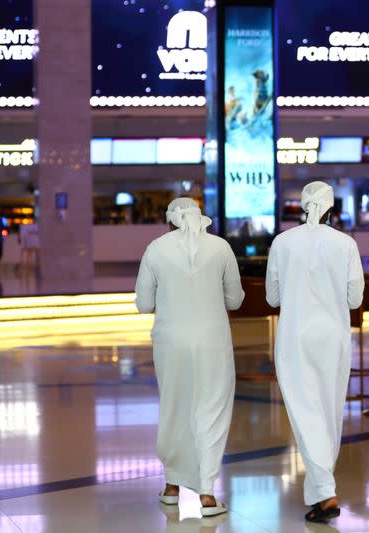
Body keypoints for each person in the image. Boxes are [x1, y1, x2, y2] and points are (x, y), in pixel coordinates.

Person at [135, 198, 244, 517]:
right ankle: (207, 494)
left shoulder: (156, 248)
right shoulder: (221, 247)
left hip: (170, 342)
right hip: (212, 341)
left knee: (174, 407)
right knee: (211, 408)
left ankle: (172, 486)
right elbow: (235, 300)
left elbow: (143, 304)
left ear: (170, 221)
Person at [265, 181, 364, 523]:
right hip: (334, 336)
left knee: (305, 411)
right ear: (332, 208)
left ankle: (325, 491)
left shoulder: (282, 242)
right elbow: (355, 299)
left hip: (295, 336)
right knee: (329, 410)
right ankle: (324, 489)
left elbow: (272, 297)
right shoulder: (346, 244)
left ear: (301, 206)